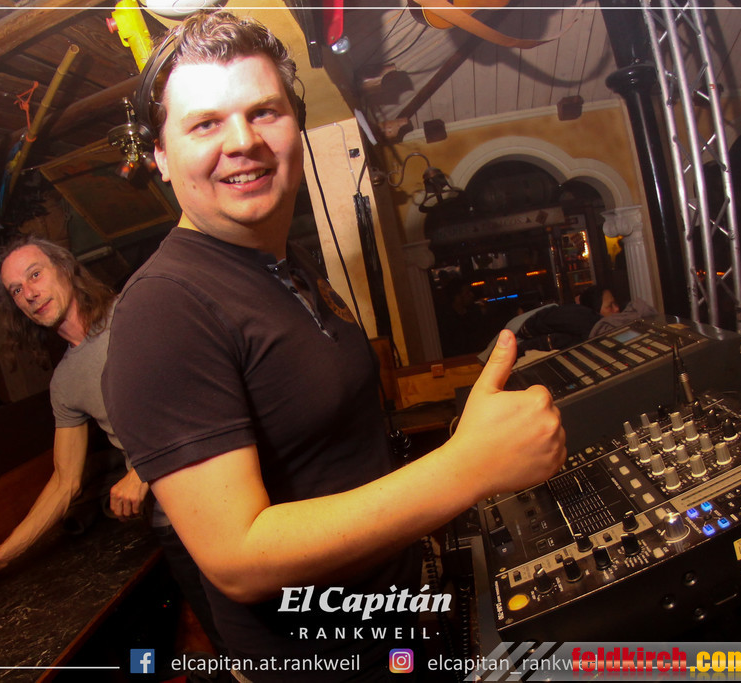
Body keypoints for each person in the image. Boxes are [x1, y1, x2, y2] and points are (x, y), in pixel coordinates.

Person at [101, 10, 565, 680]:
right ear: (161, 158)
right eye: (205, 124)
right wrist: (467, 468)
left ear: (295, 124)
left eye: (264, 112)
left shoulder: (280, 264)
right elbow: (237, 557)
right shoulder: (164, 308)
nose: (243, 141)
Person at [0, 235, 224, 654]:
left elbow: (209, 391)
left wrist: (143, 468)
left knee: (278, 631)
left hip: (221, 494)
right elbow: (64, 482)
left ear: (65, 268)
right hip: (170, 522)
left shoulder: (134, 312)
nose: (29, 293)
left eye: (35, 274)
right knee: (227, 646)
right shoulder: (64, 383)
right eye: (17, 290)